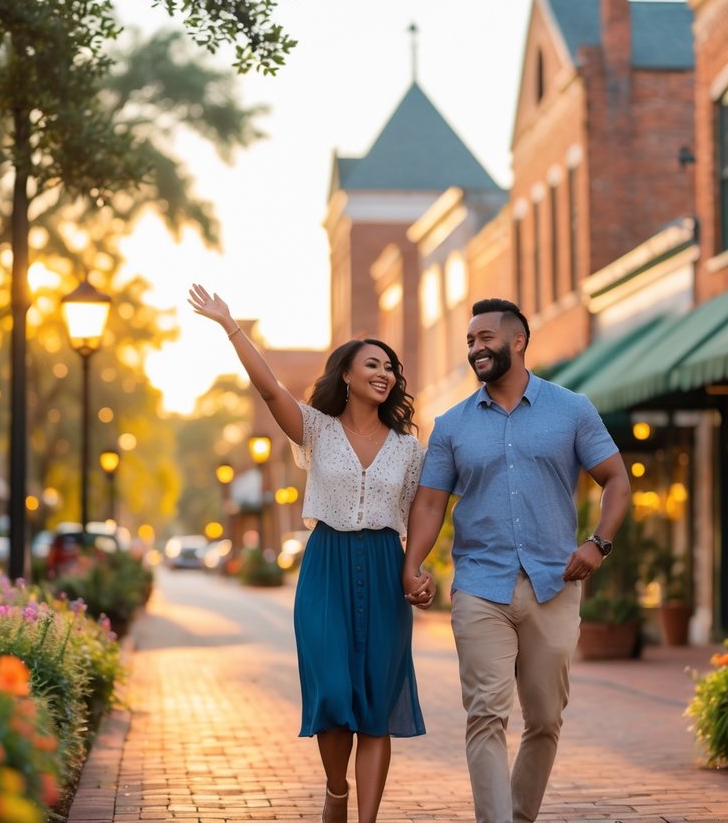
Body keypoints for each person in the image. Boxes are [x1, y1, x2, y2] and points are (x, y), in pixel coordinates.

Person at [189, 284, 429, 823]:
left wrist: (417, 567)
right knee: (334, 694)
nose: (384, 372)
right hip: (327, 566)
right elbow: (272, 390)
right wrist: (231, 326)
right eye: (373, 363)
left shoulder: (409, 448)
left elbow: (419, 516)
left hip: (386, 567)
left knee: (375, 706)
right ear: (346, 374)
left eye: (390, 367)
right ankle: (335, 790)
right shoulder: (318, 431)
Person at [400, 298, 631, 823]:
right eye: (470, 342)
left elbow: (617, 479)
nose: (475, 349)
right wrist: (412, 564)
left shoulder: (571, 409)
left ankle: (519, 815)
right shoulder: (452, 425)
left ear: (518, 341)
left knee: (546, 718)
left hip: (555, 582)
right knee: (485, 714)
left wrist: (598, 543)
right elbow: (432, 502)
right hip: (481, 586)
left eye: (485, 338)